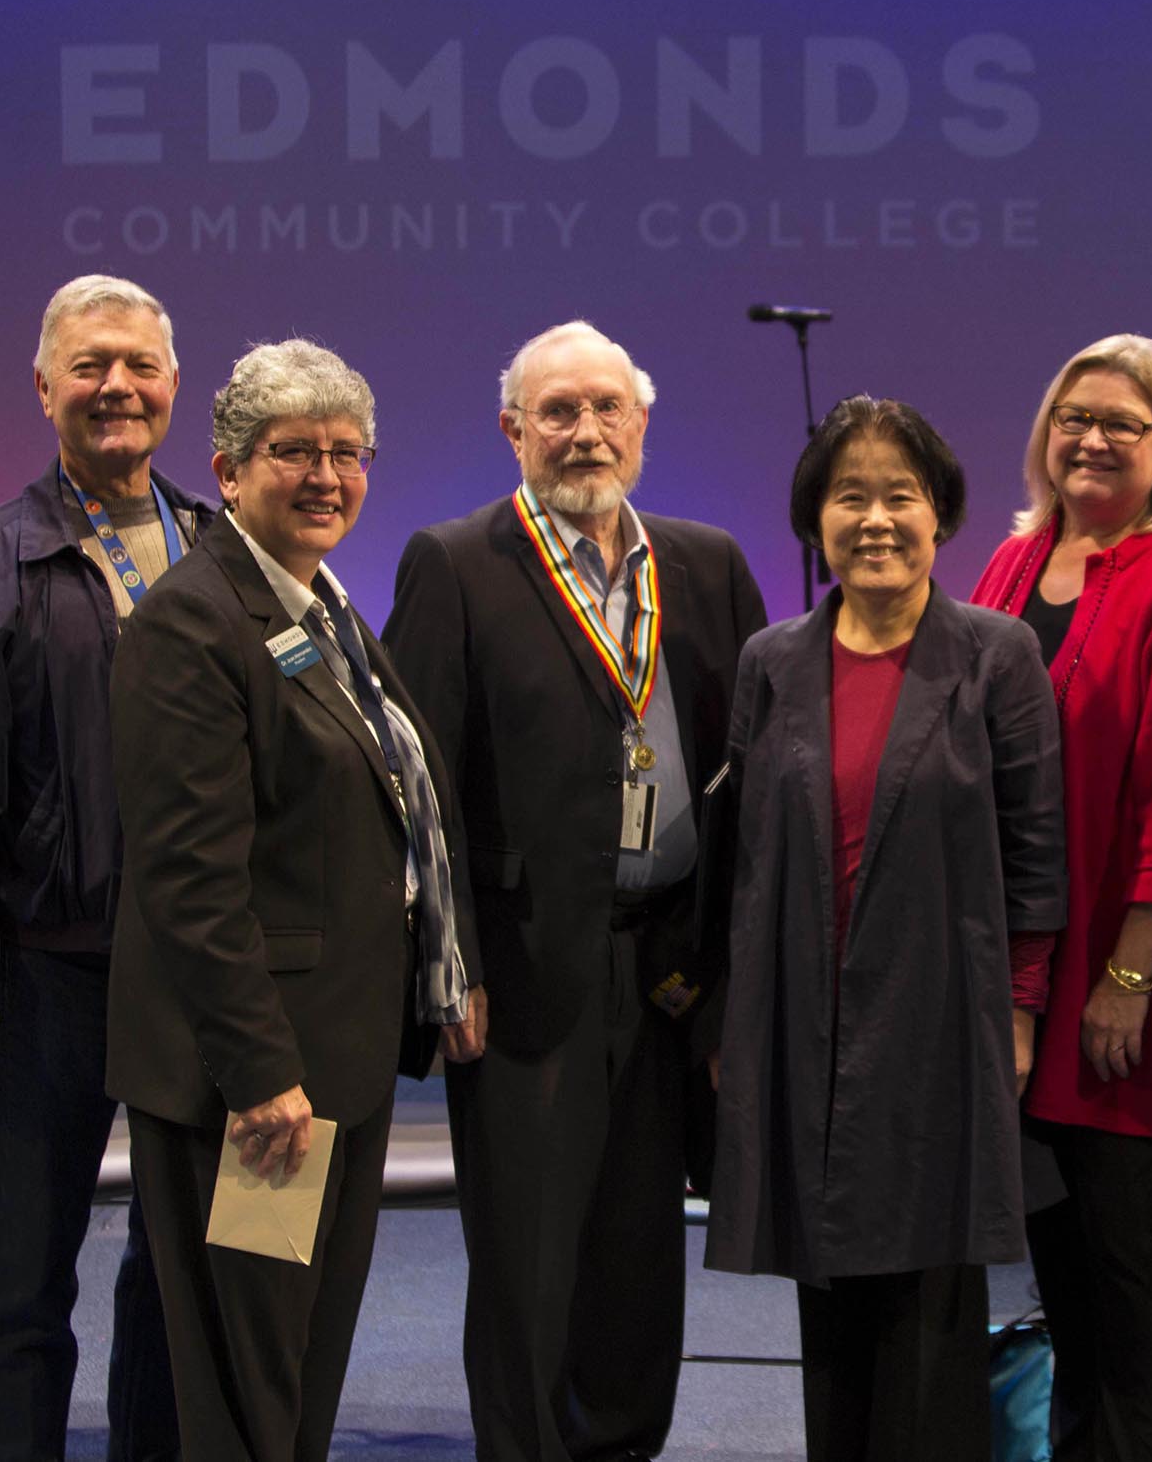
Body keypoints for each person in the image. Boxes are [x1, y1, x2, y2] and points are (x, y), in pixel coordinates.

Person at [383, 320, 767, 1462]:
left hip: (671, 968)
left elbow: (750, 781)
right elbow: (422, 789)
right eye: (558, 411)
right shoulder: (452, 560)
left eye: (606, 408)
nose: (584, 432)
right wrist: (448, 968)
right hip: (523, 969)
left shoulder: (708, 564)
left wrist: (732, 971)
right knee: (527, 1259)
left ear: (642, 424)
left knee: (641, 1248)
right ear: (513, 430)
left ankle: (622, 1447)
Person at [106, 339, 475, 1462]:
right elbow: (189, 879)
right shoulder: (192, 618)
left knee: (299, 1364)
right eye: (293, 452)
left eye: (345, 452)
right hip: (258, 1083)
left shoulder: (319, 605)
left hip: (337, 1059)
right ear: (226, 469)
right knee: (246, 1376)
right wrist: (261, 1072)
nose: (325, 474)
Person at [708, 396, 1067, 1462]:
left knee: (929, 1295)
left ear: (941, 515)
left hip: (944, 1010)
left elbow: (1035, 849)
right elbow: (743, 857)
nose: (874, 518)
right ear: (814, 518)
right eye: (847, 495)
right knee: (831, 1288)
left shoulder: (995, 654)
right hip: (805, 1010)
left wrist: (1020, 1008)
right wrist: (738, 1015)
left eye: (898, 495)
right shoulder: (771, 659)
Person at [0, 274, 197, 1461]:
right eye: (88, 366)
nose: (114, 385)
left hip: (190, 979)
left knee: (176, 1271)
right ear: (44, 388)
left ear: (174, 384)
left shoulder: (220, 548)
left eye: (137, 364)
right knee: (25, 1273)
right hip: (42, 979)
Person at [969, 334, 1152, 1462]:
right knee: (1065, 1291)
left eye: (1120, 423)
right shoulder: (1007, 563)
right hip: (1023, 988)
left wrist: (1128, 976)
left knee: (1136, 1297)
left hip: (1131, 1002)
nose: (1089, 437)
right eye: (1071, 415)